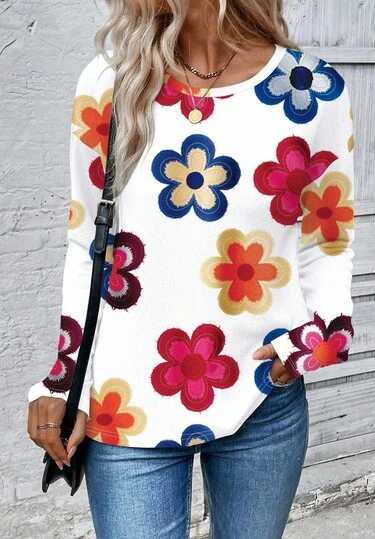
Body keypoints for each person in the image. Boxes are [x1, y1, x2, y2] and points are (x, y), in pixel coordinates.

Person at [27, 1, 356, 537]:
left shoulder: (311, 90)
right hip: (126, 400)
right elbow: (89, 241)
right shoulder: (111, 82)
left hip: (263, 395)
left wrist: (319, 337)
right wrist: (66, 379)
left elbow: (328, 235)